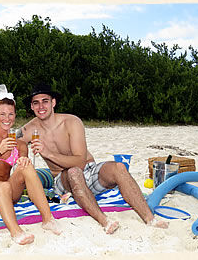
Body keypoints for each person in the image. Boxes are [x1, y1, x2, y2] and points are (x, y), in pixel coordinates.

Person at [18, 82, 169, 234]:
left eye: (45, 101)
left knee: (119, 167)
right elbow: (17, 140)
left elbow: (79, 161)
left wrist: (48, 153)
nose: (41, 107)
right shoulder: (30, 128)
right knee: (73, 172)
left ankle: (150, 219)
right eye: (36, 103)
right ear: (31, 107)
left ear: (53, 102)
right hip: (63, 179)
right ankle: (105, 221)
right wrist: (23, 155)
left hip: (88, 171)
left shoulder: (71, 122)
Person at [0, 81, 61, 245]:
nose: (7, 118)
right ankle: (16, 232)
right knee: (3, 186)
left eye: (11, 114)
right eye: (2, 114)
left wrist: (26, 159)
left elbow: (21, 170)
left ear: (15, 116)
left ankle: (47, 219)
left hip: (8, 193)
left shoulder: (19, 143)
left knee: (25, 167)